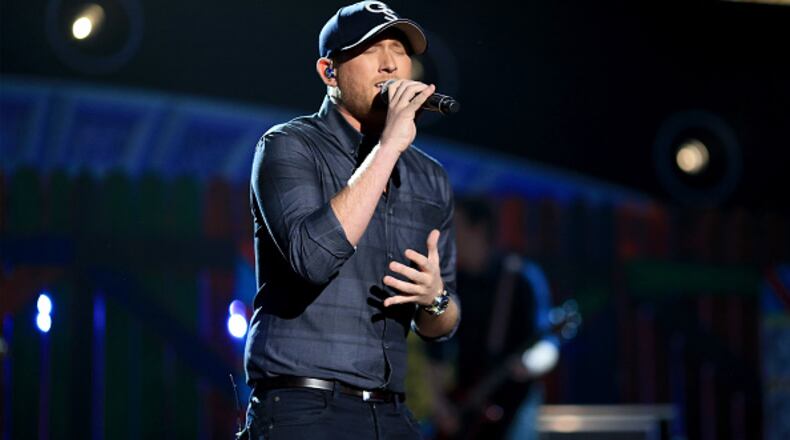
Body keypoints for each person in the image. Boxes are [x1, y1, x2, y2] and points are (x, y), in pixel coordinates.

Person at [241, 2, 461, 439]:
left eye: (399, 50)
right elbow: (313, 259)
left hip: (392, 411)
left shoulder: (430, 177)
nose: (390, 64)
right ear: (329, 72)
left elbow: (444, 322)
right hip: (304, 407)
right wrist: (389, 146)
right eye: (370, 49)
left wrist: (434, 299)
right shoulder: (289, 146)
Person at [426, 198, 560, 440]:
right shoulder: (450, 285)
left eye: (454, 226)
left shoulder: (520, 279)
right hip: (466, 403)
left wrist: (530, 364)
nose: (446, 235)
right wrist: (439, 404)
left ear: (479, 228)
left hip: (515, 404)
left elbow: (547, 343)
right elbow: (436, 349)